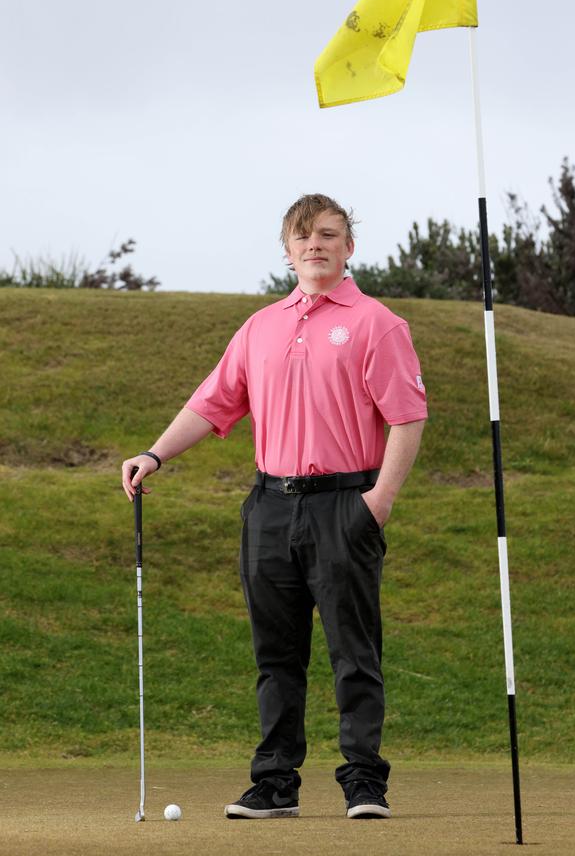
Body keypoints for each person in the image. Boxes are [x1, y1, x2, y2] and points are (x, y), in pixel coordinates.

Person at [121, 193, 427, 820]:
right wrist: (153, 455)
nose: (315, 244)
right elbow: (212, 403)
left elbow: (407, 418)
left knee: (354, 652)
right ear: (287, 251)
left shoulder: (377, 324)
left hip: (345, 503)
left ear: (349, 247)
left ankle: (364, 783)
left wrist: (378, 503)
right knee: (276, 656)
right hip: (269, 505)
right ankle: (275, 784)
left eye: (328, 234)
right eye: (302, 236)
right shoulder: (260, 327)